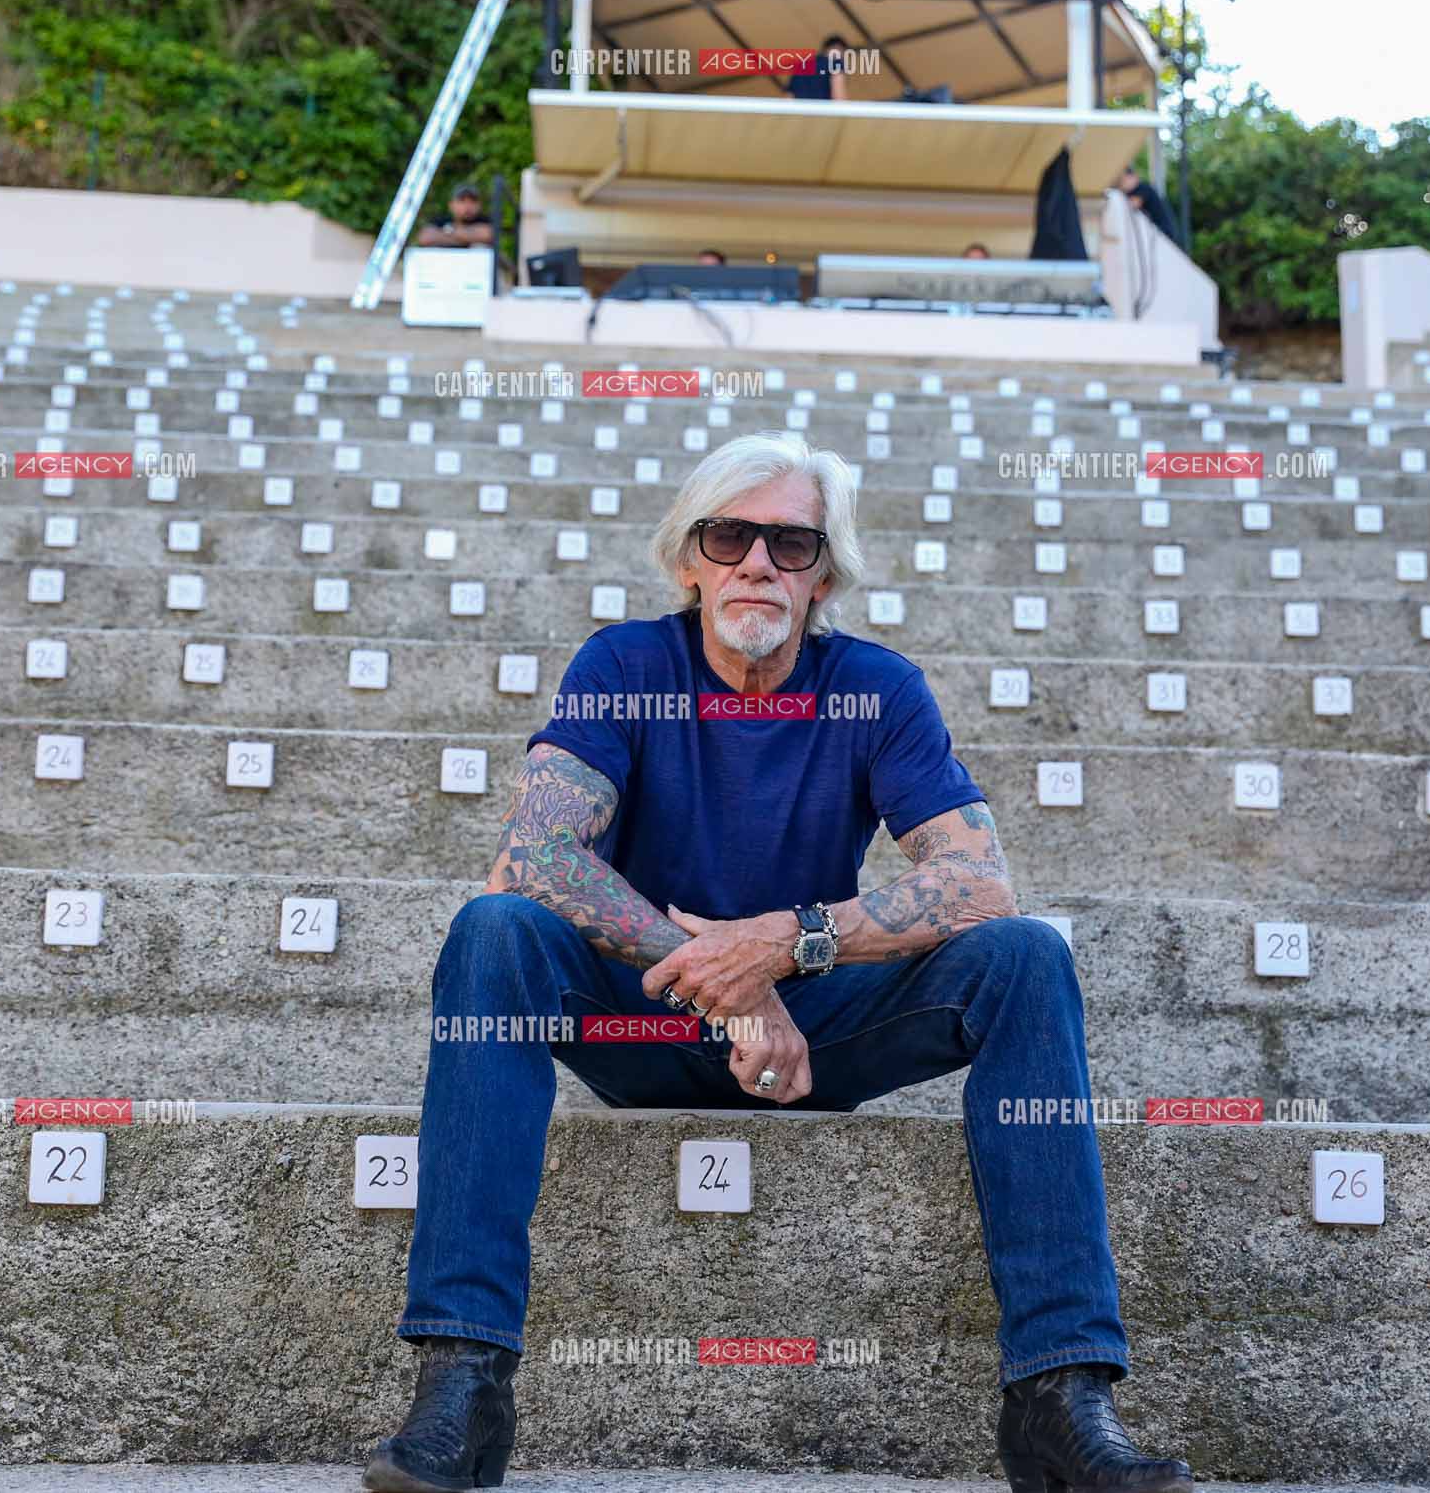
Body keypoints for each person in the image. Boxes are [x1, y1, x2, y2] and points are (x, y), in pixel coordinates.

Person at [364, 432, 1194, 1493]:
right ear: (690, 560)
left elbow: (980, 885)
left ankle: (1059, 1396)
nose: (759, 561)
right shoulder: (623, 667)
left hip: (818, 1031)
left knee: (1025, 958)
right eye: (731, 535)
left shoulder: (879, 689)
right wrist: (725, 979)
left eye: (791, 542)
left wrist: (786, 947)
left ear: (825, 574)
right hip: (645, 1022)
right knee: (494, 931)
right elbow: (533, 854)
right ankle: (462, 1382)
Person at [1116, 163, 1181, 248]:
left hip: (1164, 232)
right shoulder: (1136, 191)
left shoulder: (1142, 188)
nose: (1121, 185)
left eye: (1123, 181)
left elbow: (1129, 206)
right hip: (1158, 233)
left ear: (1133, 177)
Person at [415, 184, 494, 248]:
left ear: (479, 205)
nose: (468, 206)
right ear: (451, 205)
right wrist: (469, 239)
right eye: (462, 200)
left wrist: (449, 231)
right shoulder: (440, 220)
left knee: (479, 247)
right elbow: (424, 238)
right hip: (443, 265)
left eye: (473, 201)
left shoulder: (485, 220)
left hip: (475, 266)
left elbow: (487, 235)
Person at [786, 35, 850, 101]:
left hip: (801, 109)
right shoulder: (836, 63)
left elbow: (789, 96)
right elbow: (838, 92)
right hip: (823, 109)